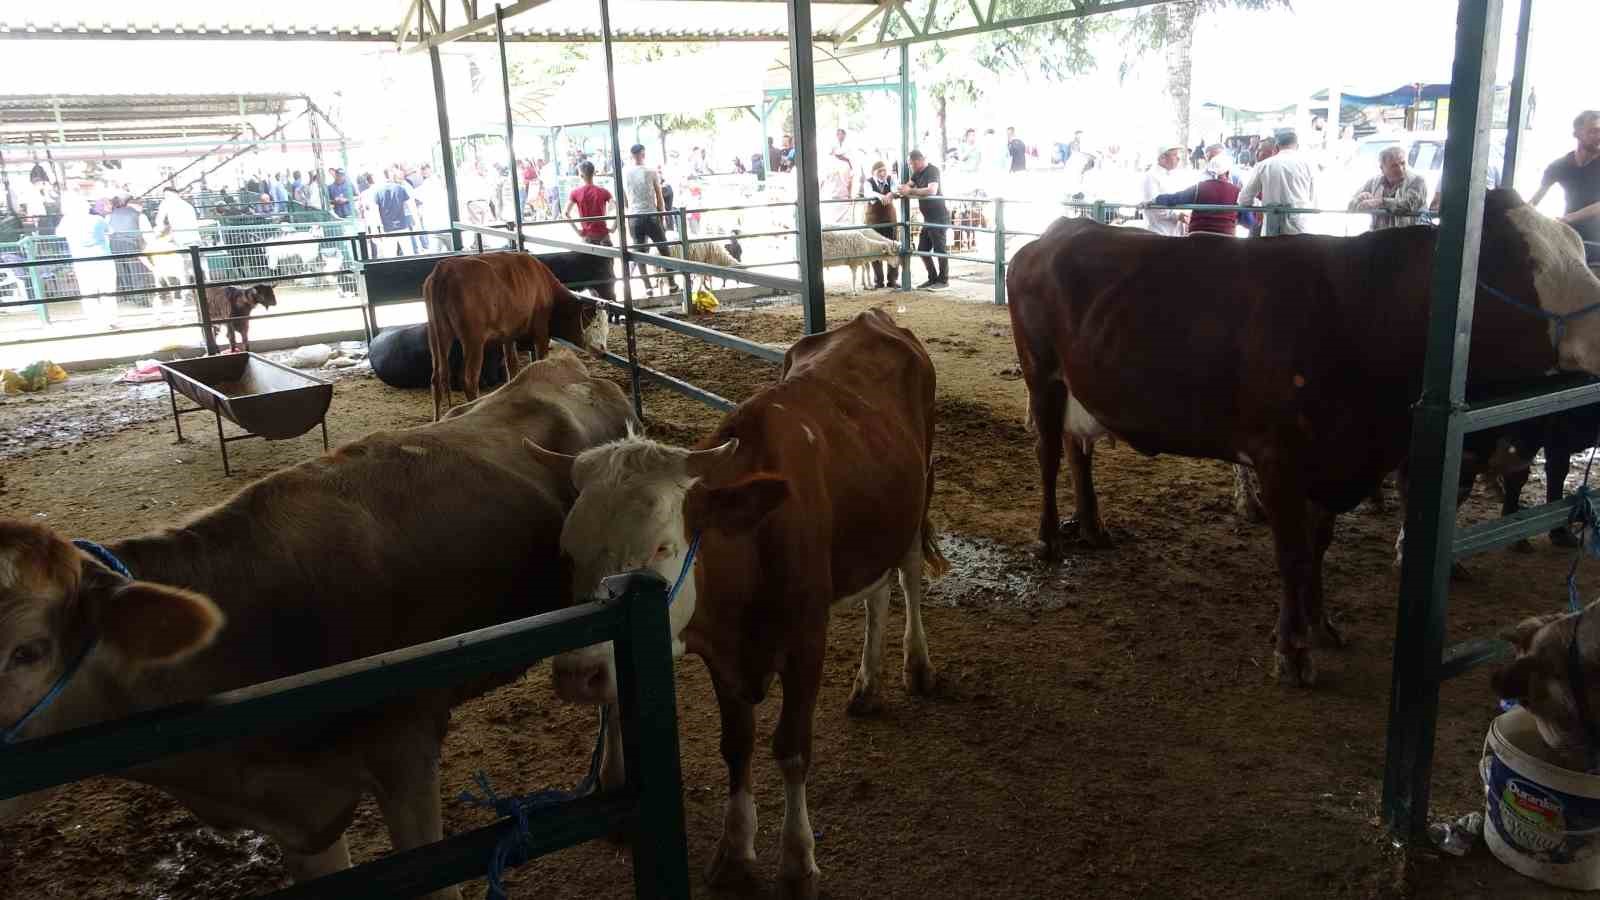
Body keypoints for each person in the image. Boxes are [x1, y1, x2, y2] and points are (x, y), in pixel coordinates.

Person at [1530, 110, 1600, 266]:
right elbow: (1534, 201)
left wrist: (1569, 218)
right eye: (1594, 131)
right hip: (1570, 238)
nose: (1599, 136)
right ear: (1576, 133)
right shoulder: (1559, 166)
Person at [1236, 129, 1314, 236]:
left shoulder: (1264, 165)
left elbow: (1243, 200)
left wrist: (1259, 205)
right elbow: (1313, 199)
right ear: (1298, 146)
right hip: (1301, 230)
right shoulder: (1309, 165)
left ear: (1276, 146)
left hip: (1272, 232)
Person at [622, 143, 676, 294]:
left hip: (634, 216)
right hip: (651, 215)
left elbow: (624, 198)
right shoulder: (651, 171)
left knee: (640, 251)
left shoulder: (625, 172)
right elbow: (659, 194)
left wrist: (629, 209)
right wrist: (663, 213)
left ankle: (647, 287)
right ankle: (671, 283)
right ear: (643, 154)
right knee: (663, 248)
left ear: (631, 155)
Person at [59, 193, 118, 329]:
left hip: (82, 262)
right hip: (103, 259)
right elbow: (111, 231)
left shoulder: (67, 221)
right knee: (107, 291)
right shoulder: (97, 219)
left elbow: (59, 233)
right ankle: (111, 319)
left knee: (88, 292)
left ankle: (95, 321)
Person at [896, 149, 949, 290]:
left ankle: (943, 280)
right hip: (928, 217)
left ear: (918, 161)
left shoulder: (932, 170)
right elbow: (909, 185)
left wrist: (910, 191)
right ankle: (932, 278)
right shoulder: (917, 173)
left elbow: (932, 190)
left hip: (938, 216)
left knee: (939, 249)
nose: (911, 166)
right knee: (922, 249)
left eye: (911, 164)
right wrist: (900, 190)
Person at [1151, 155, 1242, 236]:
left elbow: (1175, 198)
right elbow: (1248, 221)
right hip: (1226, 238)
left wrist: (1154, 200)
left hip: (1198, 236)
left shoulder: (1199, 187)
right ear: (1227, 173)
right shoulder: (1236, 192)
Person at [1348, 145, 1429, 230]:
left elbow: (1409, 205)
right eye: (1394, 166)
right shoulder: (1373, 182)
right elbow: (1350, 205)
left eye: (1402, 163)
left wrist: (1380, 202)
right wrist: (1360, 199)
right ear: (1382, 168)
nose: (1400, 169)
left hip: (1410, 238)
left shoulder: (1417, 181)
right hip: (1379, 237)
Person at [863, 160, 900, 290]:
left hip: (890, 219)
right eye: (880, 171)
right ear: (873, 173)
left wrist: (891, 193)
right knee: (875, 248)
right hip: (873, 220)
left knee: (893, 246)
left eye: (884, 170)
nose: (883, 173)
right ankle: (878, 280)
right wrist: (880, 195)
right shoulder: (868, 182)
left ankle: (892, 280)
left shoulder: (891, 180)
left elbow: (896, 190)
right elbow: (869, 193)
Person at [1140, 143, 1190, 236]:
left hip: (1175, 232)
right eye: (1174, 155)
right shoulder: (1151, 176)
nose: (1178, 158)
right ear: (1163, 158)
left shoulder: (1174, 176)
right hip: (1159, 231)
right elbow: (1153, 205)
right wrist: (1177, 215)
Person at [564, 160, 616, 247]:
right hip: (604, 236)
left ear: (581, 175)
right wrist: (613, 228)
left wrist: (577, 231)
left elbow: (565, 213)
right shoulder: (604, 192)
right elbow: (617, 209)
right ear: (594, 173)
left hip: (587, 237)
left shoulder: (575, 193)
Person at [372, 168, 418, 257]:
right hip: (402, 225)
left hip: (387, 228)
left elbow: (375, 212)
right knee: (408, 254)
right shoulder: (400, 188)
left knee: (390, 256)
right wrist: (413, 221)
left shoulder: (377, 191)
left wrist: (376, 229)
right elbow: (408, 206)